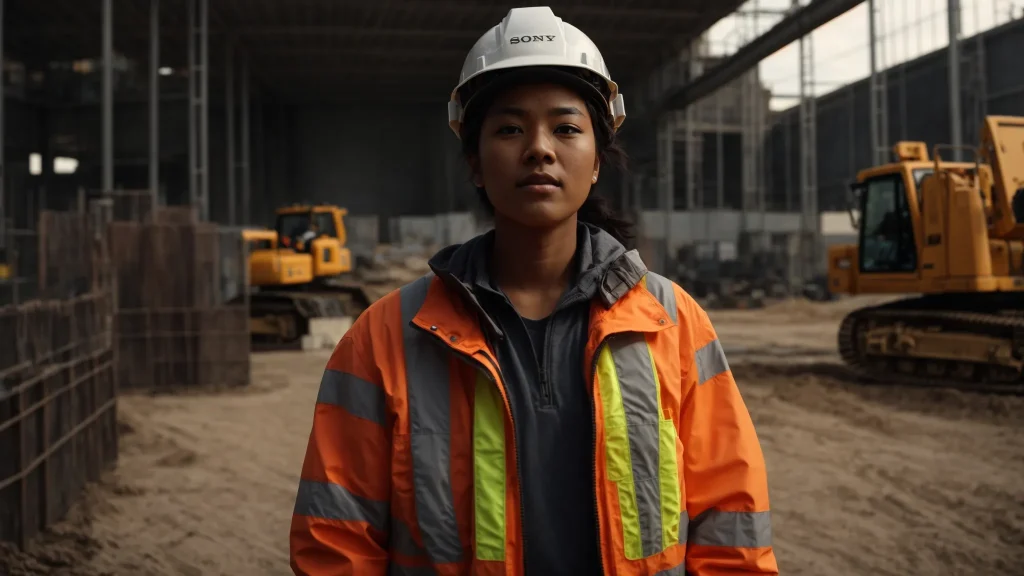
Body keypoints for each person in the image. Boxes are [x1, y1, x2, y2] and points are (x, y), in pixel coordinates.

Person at [289, 6, 778, 575]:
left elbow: (730, 523)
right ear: (475, 162)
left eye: (567, 128)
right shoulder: (387, 336)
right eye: (510, 128)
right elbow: (336, 542)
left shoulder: (672, 322)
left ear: (597, 161)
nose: (540, 148)